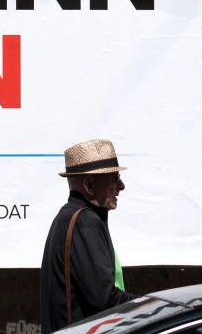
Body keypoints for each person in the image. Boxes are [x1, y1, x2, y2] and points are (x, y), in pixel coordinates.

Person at [40, 139, 135, 332]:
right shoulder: (84, 223)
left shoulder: (69, 216)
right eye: (114, 178)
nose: (121, 186)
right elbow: (104, 299)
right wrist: (152, 305)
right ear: (90, 184)